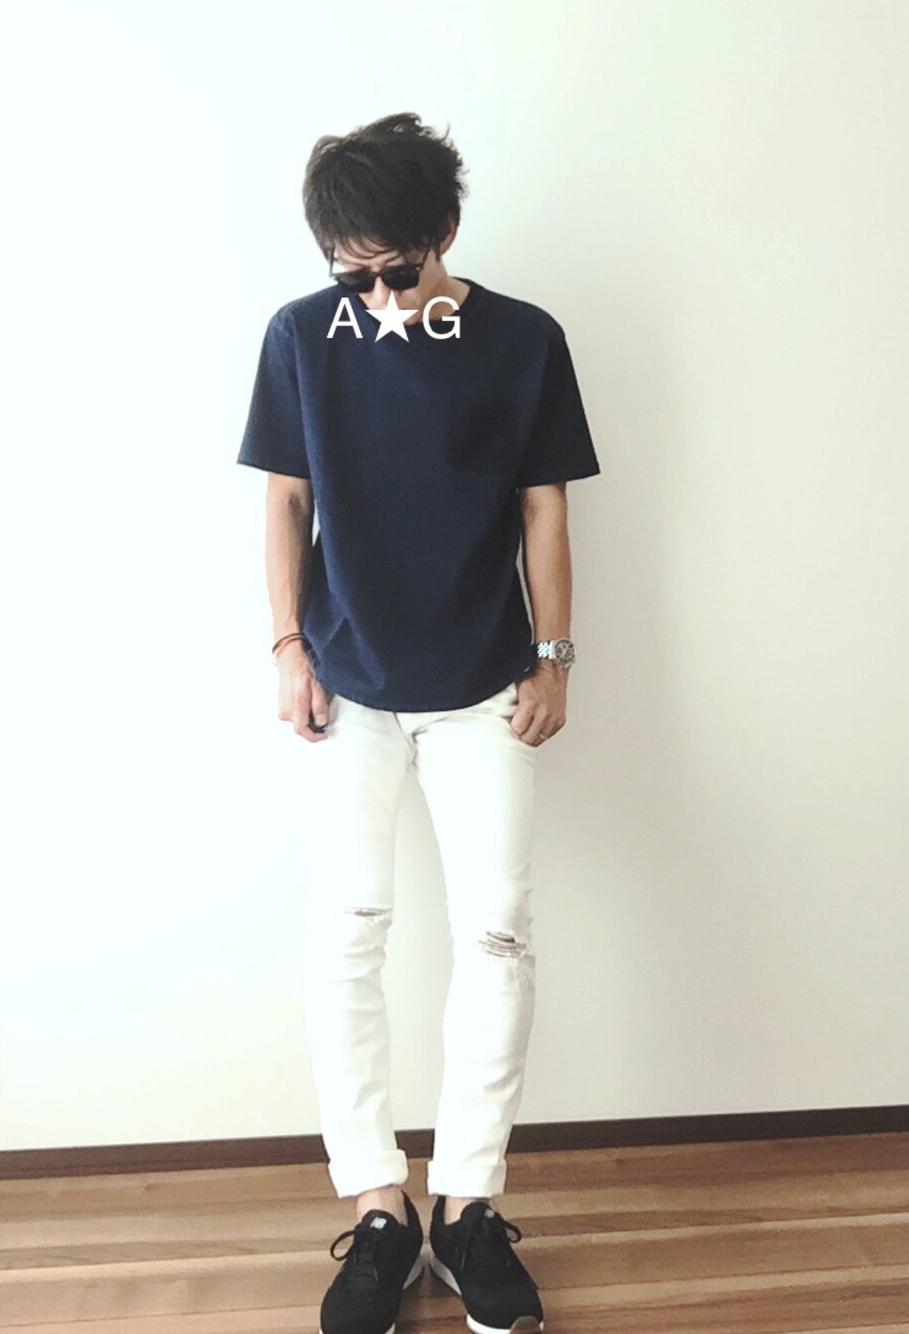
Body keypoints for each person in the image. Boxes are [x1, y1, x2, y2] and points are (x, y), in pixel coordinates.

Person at [237, 111, 600, 1334]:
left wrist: (555, 657)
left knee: (497, 933)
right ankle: (379, 1207)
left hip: (486, 681)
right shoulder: (301, 336)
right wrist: (287, 648)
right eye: (358, 277)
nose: (383, 298)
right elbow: (284, 502)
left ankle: (468, 1207)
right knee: (348, 933)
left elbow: (544, 508)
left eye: (401, 269)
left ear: (446, 230)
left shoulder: (522, 339)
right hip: (347, 684)